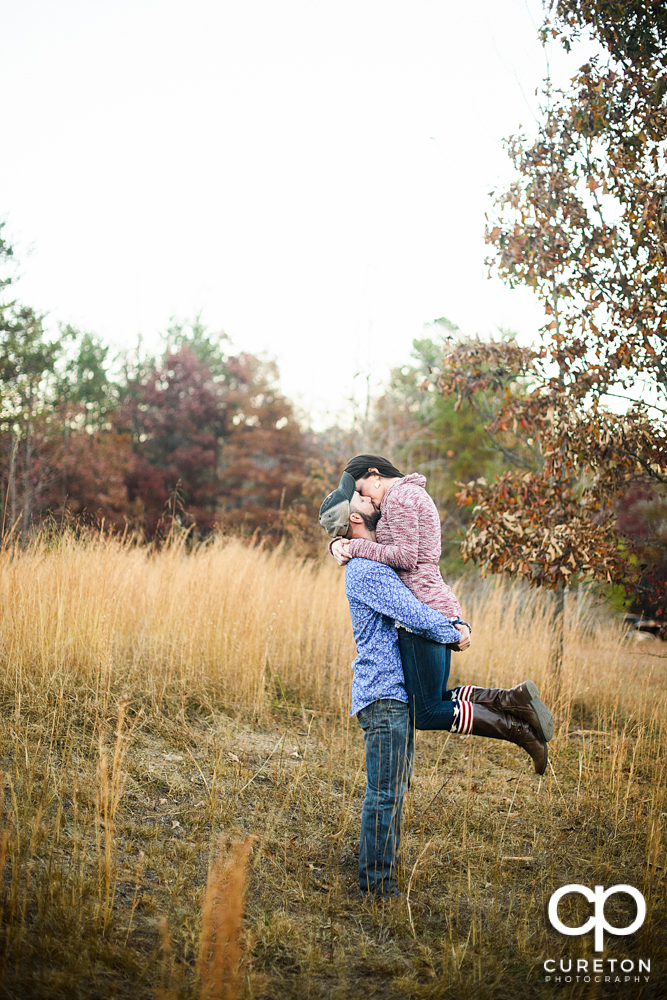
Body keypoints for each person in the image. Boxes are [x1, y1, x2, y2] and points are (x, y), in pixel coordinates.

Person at [318, 478, 550, 899]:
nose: (371, 499)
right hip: (384, 696)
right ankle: (377, 886)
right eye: (362, 499)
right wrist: (456, 629)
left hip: (396, 694)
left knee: (395, 788)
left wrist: (336, 545)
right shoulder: (368, 571)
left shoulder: (372, 559)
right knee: (385, 793)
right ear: (355, 518)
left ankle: (512, 704)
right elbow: (413, 612)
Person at [326, 456, 554, 744]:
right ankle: (512, 699)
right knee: (430, 699)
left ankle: (516, 728)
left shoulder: (398, 499)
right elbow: (353, 525)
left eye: (360, 490)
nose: (363, 497)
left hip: (423, 612)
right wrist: (336, 542)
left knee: (427, 712)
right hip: (431, 606)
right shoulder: (400, 497)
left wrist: (355, 546)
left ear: (375, 475)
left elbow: (405, 557)